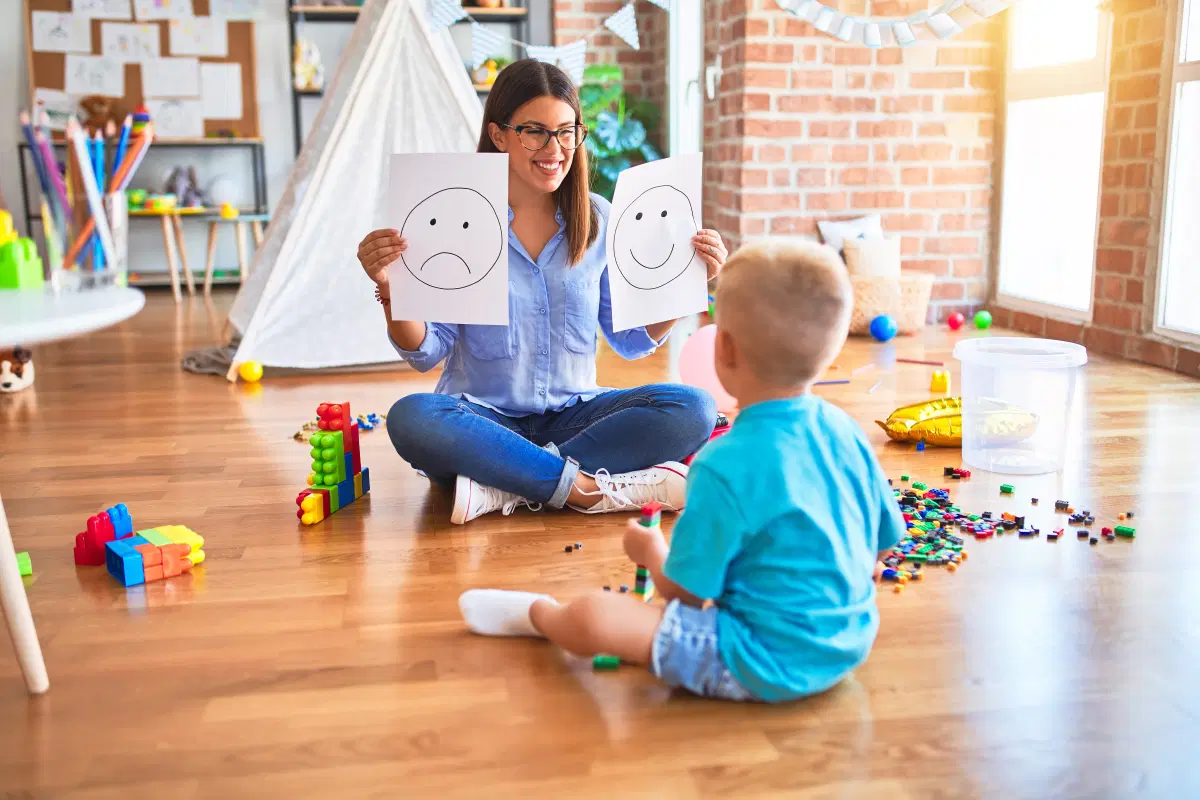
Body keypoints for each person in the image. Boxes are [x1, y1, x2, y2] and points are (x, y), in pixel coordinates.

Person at [457, 240, 905, 702]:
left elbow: (685, 596)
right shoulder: (845, 429)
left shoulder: (722, 465)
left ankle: (542, 614)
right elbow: (886, 542)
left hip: (759, 658)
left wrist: (651, 552)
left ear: (723, 348)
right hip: (851, 641)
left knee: (595, 616)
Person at [357, 60, 726, 524]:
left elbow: (630, 341)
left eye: (566, 132)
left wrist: (685, 281)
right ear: (498, 135)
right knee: (412, 417)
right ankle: (582, 488)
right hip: (482, 422)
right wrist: (391, 288)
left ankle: (505, 484)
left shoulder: (599, 219)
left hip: (575, 417)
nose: (555, 149)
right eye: (535, 132)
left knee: (694, 408)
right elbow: (427, 351)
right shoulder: (459, 217)